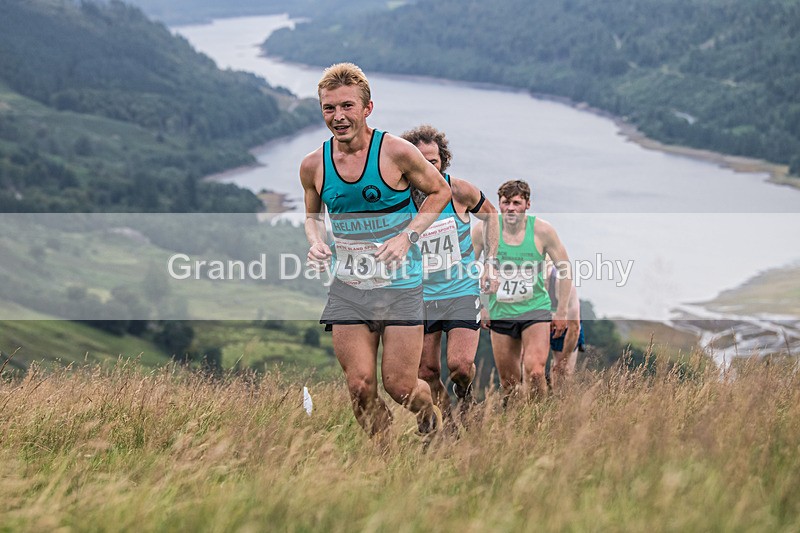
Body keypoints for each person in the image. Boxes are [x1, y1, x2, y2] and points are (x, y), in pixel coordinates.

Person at [300, 63, 451, 440]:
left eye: (347, 106)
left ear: (367, 108)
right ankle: (383, 461)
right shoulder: (313, 164)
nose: (338, 116)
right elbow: (312, 218)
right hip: (349, 289)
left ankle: (430, 417)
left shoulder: (396, 152)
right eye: (329, 108)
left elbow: (440, 191)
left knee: (400, 387)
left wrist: (407, 238)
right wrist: (316, 242)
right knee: (360, 386)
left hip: (401, 287)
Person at [400, 125, 499, 421]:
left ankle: (465, 395)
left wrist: (491, 263)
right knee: (427, 371)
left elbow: (491, 215)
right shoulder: (399, 198)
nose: (427, 167)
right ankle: (450, 423)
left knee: (460, 366)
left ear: (443, 160)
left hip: (461, 290)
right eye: (420, 160)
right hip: (419, 296)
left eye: (433, 161)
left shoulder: (458, 191)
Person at [472, 179, 572, 402]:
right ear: (499, 204)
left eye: (516, 203)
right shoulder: (484, 230)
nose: (511, 208)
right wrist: (481, 305)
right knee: (509, 383)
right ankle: (518, 419)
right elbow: (468, 268)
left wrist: (562, 311)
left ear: (527, 204)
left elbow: (565, 269)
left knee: (535, 372)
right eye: (505, 202)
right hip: (500, 311)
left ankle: (539, 417)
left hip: (535, 309)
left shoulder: (542, 231)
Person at [546, 260, 583, 388]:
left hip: (567, 326)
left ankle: (560, 398)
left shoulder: (564, 286)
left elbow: (574, 327)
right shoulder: (526, 285)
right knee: (530, 371)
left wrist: (562, 362)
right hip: (537, 324)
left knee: (563, 375)